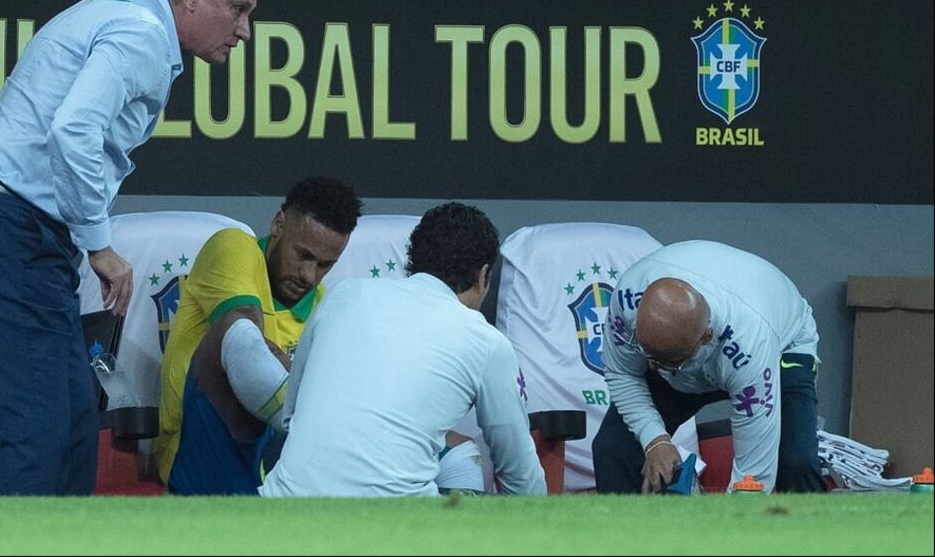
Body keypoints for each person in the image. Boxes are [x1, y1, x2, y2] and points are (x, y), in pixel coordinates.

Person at [0, 0, 261, 495]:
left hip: (20, 233)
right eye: (238, 9)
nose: (245, 30)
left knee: (72, 425)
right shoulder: (141, 33)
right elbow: (75, 131)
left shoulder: (132, 20)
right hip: (6, 230)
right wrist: (100, 246)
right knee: (42, 426)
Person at [259, 202, 547, 497]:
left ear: (413, 259)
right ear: (484, 275)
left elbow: (291, 417)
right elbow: (520, 474)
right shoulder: (486, 340)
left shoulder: (343, 294)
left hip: (279, 517)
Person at [154, 176, 363, 495]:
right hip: (203, 453)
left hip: (279, 465)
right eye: (303, 255)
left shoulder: (322, 305)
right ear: (279, 223)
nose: (309, 275)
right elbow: (247, 342)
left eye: (324, 265)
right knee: (239, 334)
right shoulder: (234, 245)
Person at [592, 240, 828, 494]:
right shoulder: (628, 301)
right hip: (692, 350)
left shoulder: (750, 347)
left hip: (783, 343)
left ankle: (808, 532)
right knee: (614, 449)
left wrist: (730, 528)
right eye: (648, 356)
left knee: (795, 462)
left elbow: (753, 476)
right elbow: (623, 372)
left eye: (666, 362)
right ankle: (628, 533)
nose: (651, 365)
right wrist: (654, 440)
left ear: (706, 337)